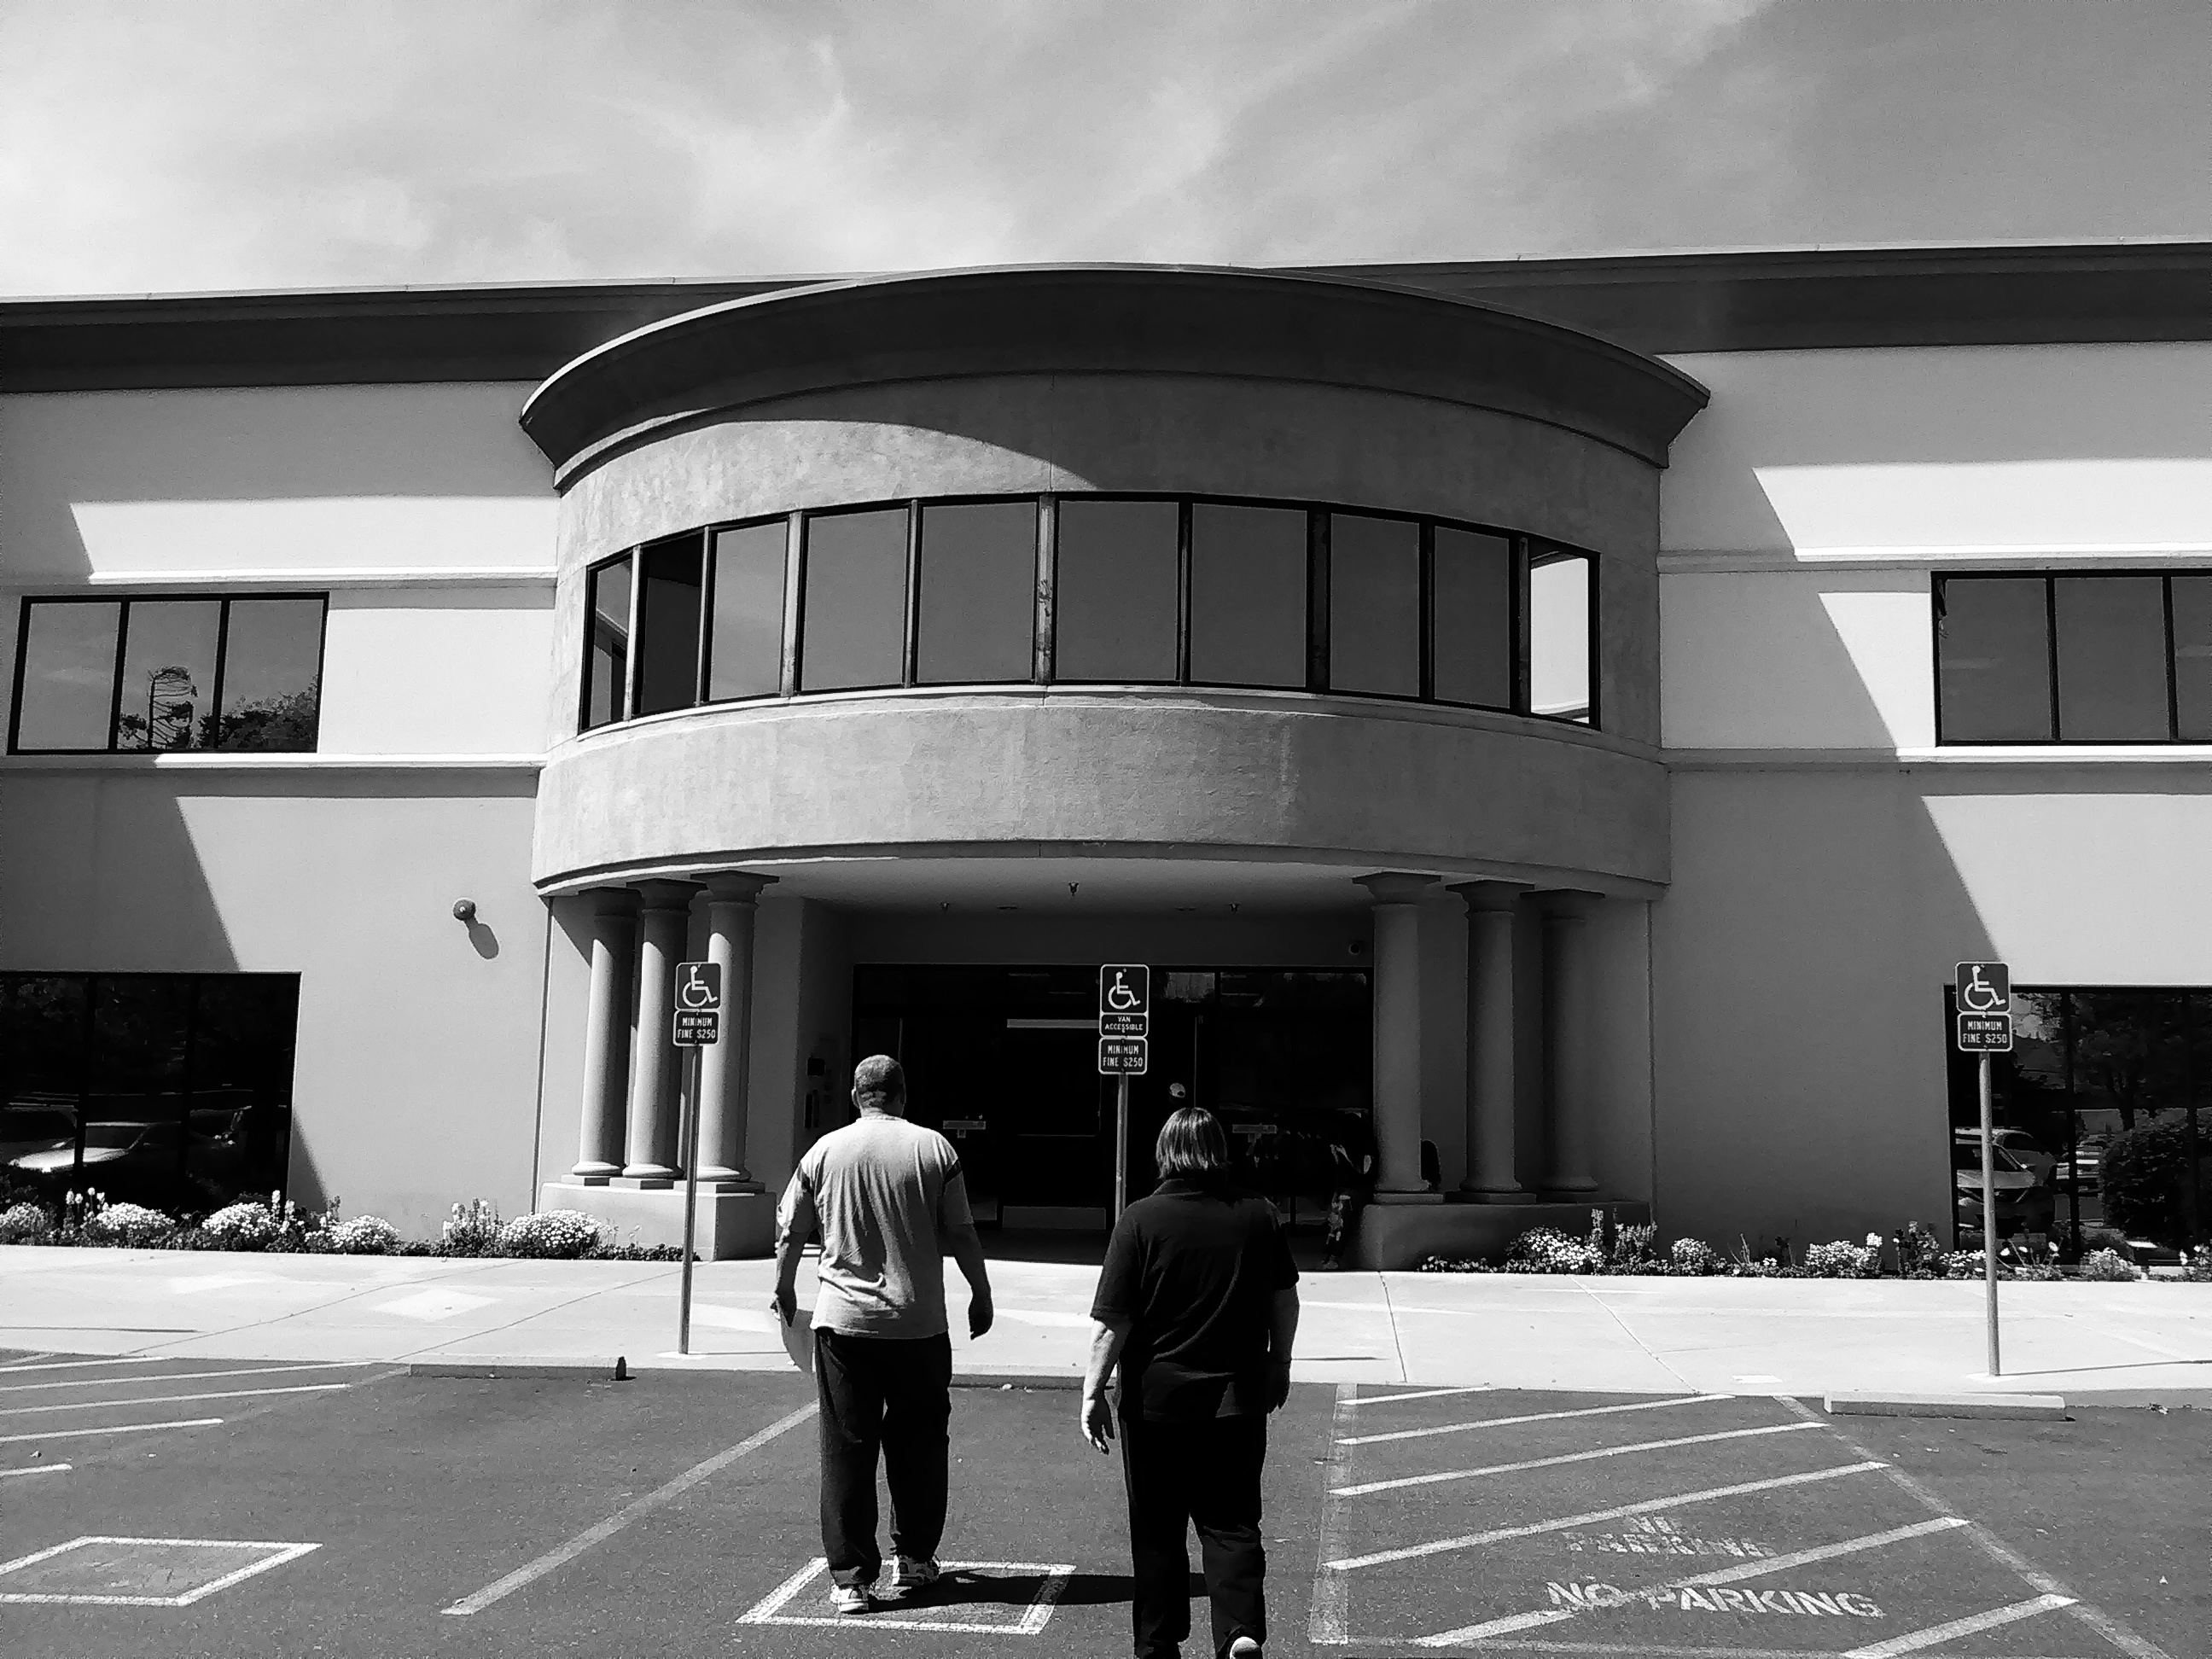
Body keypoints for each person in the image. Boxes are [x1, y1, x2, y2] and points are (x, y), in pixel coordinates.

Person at [773, 1054, 995, 1615]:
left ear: (856, 1096)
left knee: (847, 1446)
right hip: (919, 1325)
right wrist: (981, 1291)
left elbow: (792, 1230)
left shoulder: (823, 1152)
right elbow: (962, 1231)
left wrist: (784, 1288)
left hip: (844, 1324)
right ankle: (915, 1557)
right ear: (902, 1094)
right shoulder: (934, 1150)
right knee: (920, 1443)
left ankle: (851, 1578)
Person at [1081, 1105, 1300, 1659]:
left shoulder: (1140, 1220)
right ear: (1218, 1152)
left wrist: (1093, 1391)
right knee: (1232, 1522)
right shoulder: (1259, 1215)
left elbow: (1113, 1320)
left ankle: (1158, 1642)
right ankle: (1239, 1629)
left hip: (1156, 1401)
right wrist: (1280, 1363)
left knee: (1158, 1529)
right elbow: (1285, 1299)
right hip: (1237, 1397)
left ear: (1164, 1153)